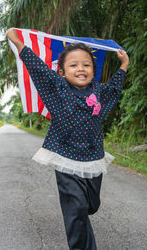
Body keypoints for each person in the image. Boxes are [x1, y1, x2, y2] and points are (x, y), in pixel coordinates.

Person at [7, 28, 129, 250]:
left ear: (94, 71)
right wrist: (18, 44)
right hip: (65, 157)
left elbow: (114, 88)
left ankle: (84, 220)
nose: (80, 68)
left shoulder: (99, 91)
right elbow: (39, 70)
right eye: (73, 65)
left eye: (86, 64)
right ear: (62, 72)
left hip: (93, 157)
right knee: (76, 209)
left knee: (90, 206)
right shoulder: (57, 88)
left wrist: (123, 66)